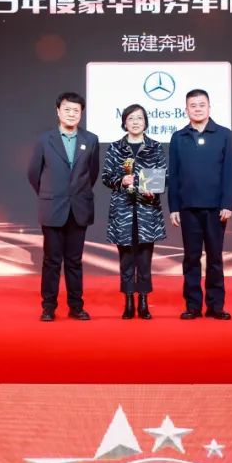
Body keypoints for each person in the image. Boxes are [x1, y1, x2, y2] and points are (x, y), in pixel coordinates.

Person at [27, 92, 100, 321]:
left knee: (74, 261)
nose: (71, 114)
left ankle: (76, 306)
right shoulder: (44, 140)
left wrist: (76, 194)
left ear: (81, 114)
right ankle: (48, 306)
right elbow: (33, 173)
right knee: (51, 260)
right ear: (58, 111)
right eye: (67, 109)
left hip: (79, 208)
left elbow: (92, 173)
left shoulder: (91, 140)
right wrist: (50, 195)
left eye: (76, 110)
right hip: (52, 208)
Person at [167, 89, 232, 320]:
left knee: (215, 258)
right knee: (191, 258)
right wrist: (174, 207)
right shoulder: (178, 137)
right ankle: (193, 306)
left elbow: (229, 172)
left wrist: (228, 203)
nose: (197, 109)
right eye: (193, 105)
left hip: (216, 208)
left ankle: (216, 306)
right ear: (186, 110)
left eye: (201, 105)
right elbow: (174, 175)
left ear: (209, 107)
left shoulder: (223, 135)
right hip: (188, 208)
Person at [102, 104, 167, 319]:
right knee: (126, 259)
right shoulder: (115, 147)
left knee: (145, 260)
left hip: (147, 211)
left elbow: (164, 175)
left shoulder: (155, 147)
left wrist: (154, 190)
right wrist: (121, 180)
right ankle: (129, 300)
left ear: (145, 122)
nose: (135, 122)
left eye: (139, 118)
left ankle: (144, 301)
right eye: (131, 118)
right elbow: (106, 177)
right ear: (124, 123)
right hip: (123, 211)